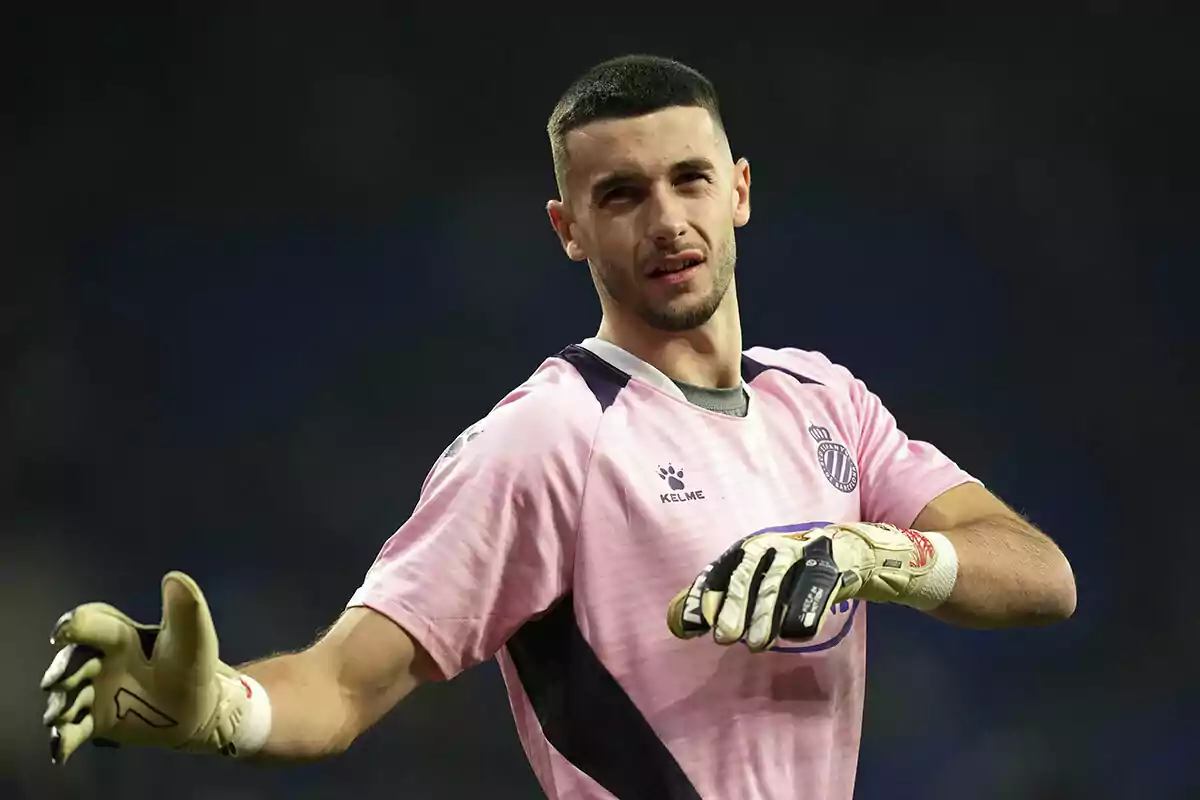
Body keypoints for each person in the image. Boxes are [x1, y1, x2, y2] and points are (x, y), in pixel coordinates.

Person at [39, 54, 1076, 800]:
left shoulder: (824, 398)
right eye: (620, 194)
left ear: (740, 192)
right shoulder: (545, 440)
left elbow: (1041, 576)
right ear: (566, 227)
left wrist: (876, 552)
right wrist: (224, 707)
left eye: (690, 180)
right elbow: (344, 682)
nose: (666, 219)